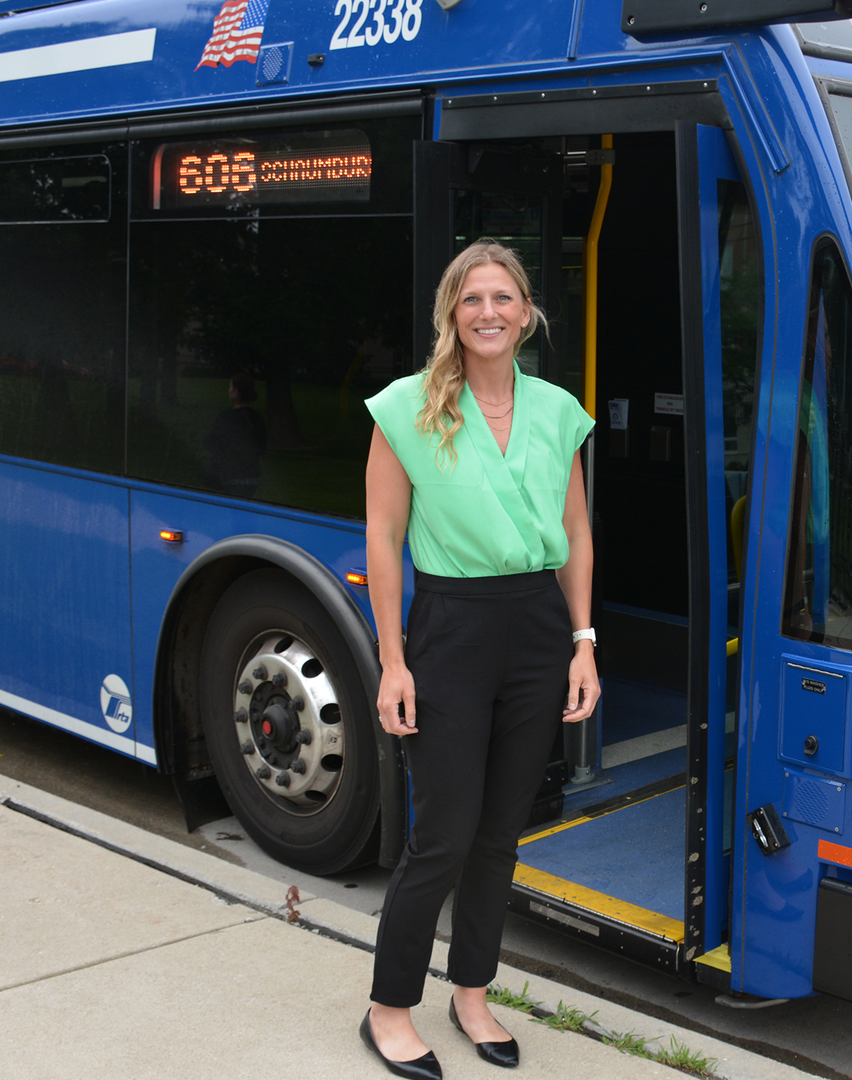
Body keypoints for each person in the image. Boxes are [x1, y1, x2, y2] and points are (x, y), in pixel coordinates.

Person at [359, 240, 599, 1078]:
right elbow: (384, 540)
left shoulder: (559, 411)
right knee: (445, 835)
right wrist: (392, 660)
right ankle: (390, 1008)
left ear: (527, 313)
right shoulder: (406, 410)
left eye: (504, 298)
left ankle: (470, 993)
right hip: (450, 631)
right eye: (472, 300)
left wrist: (582, 643)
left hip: (537, 629)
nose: (489, 312)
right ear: (451, 316)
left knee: (501, 834)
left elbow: (573, 536)